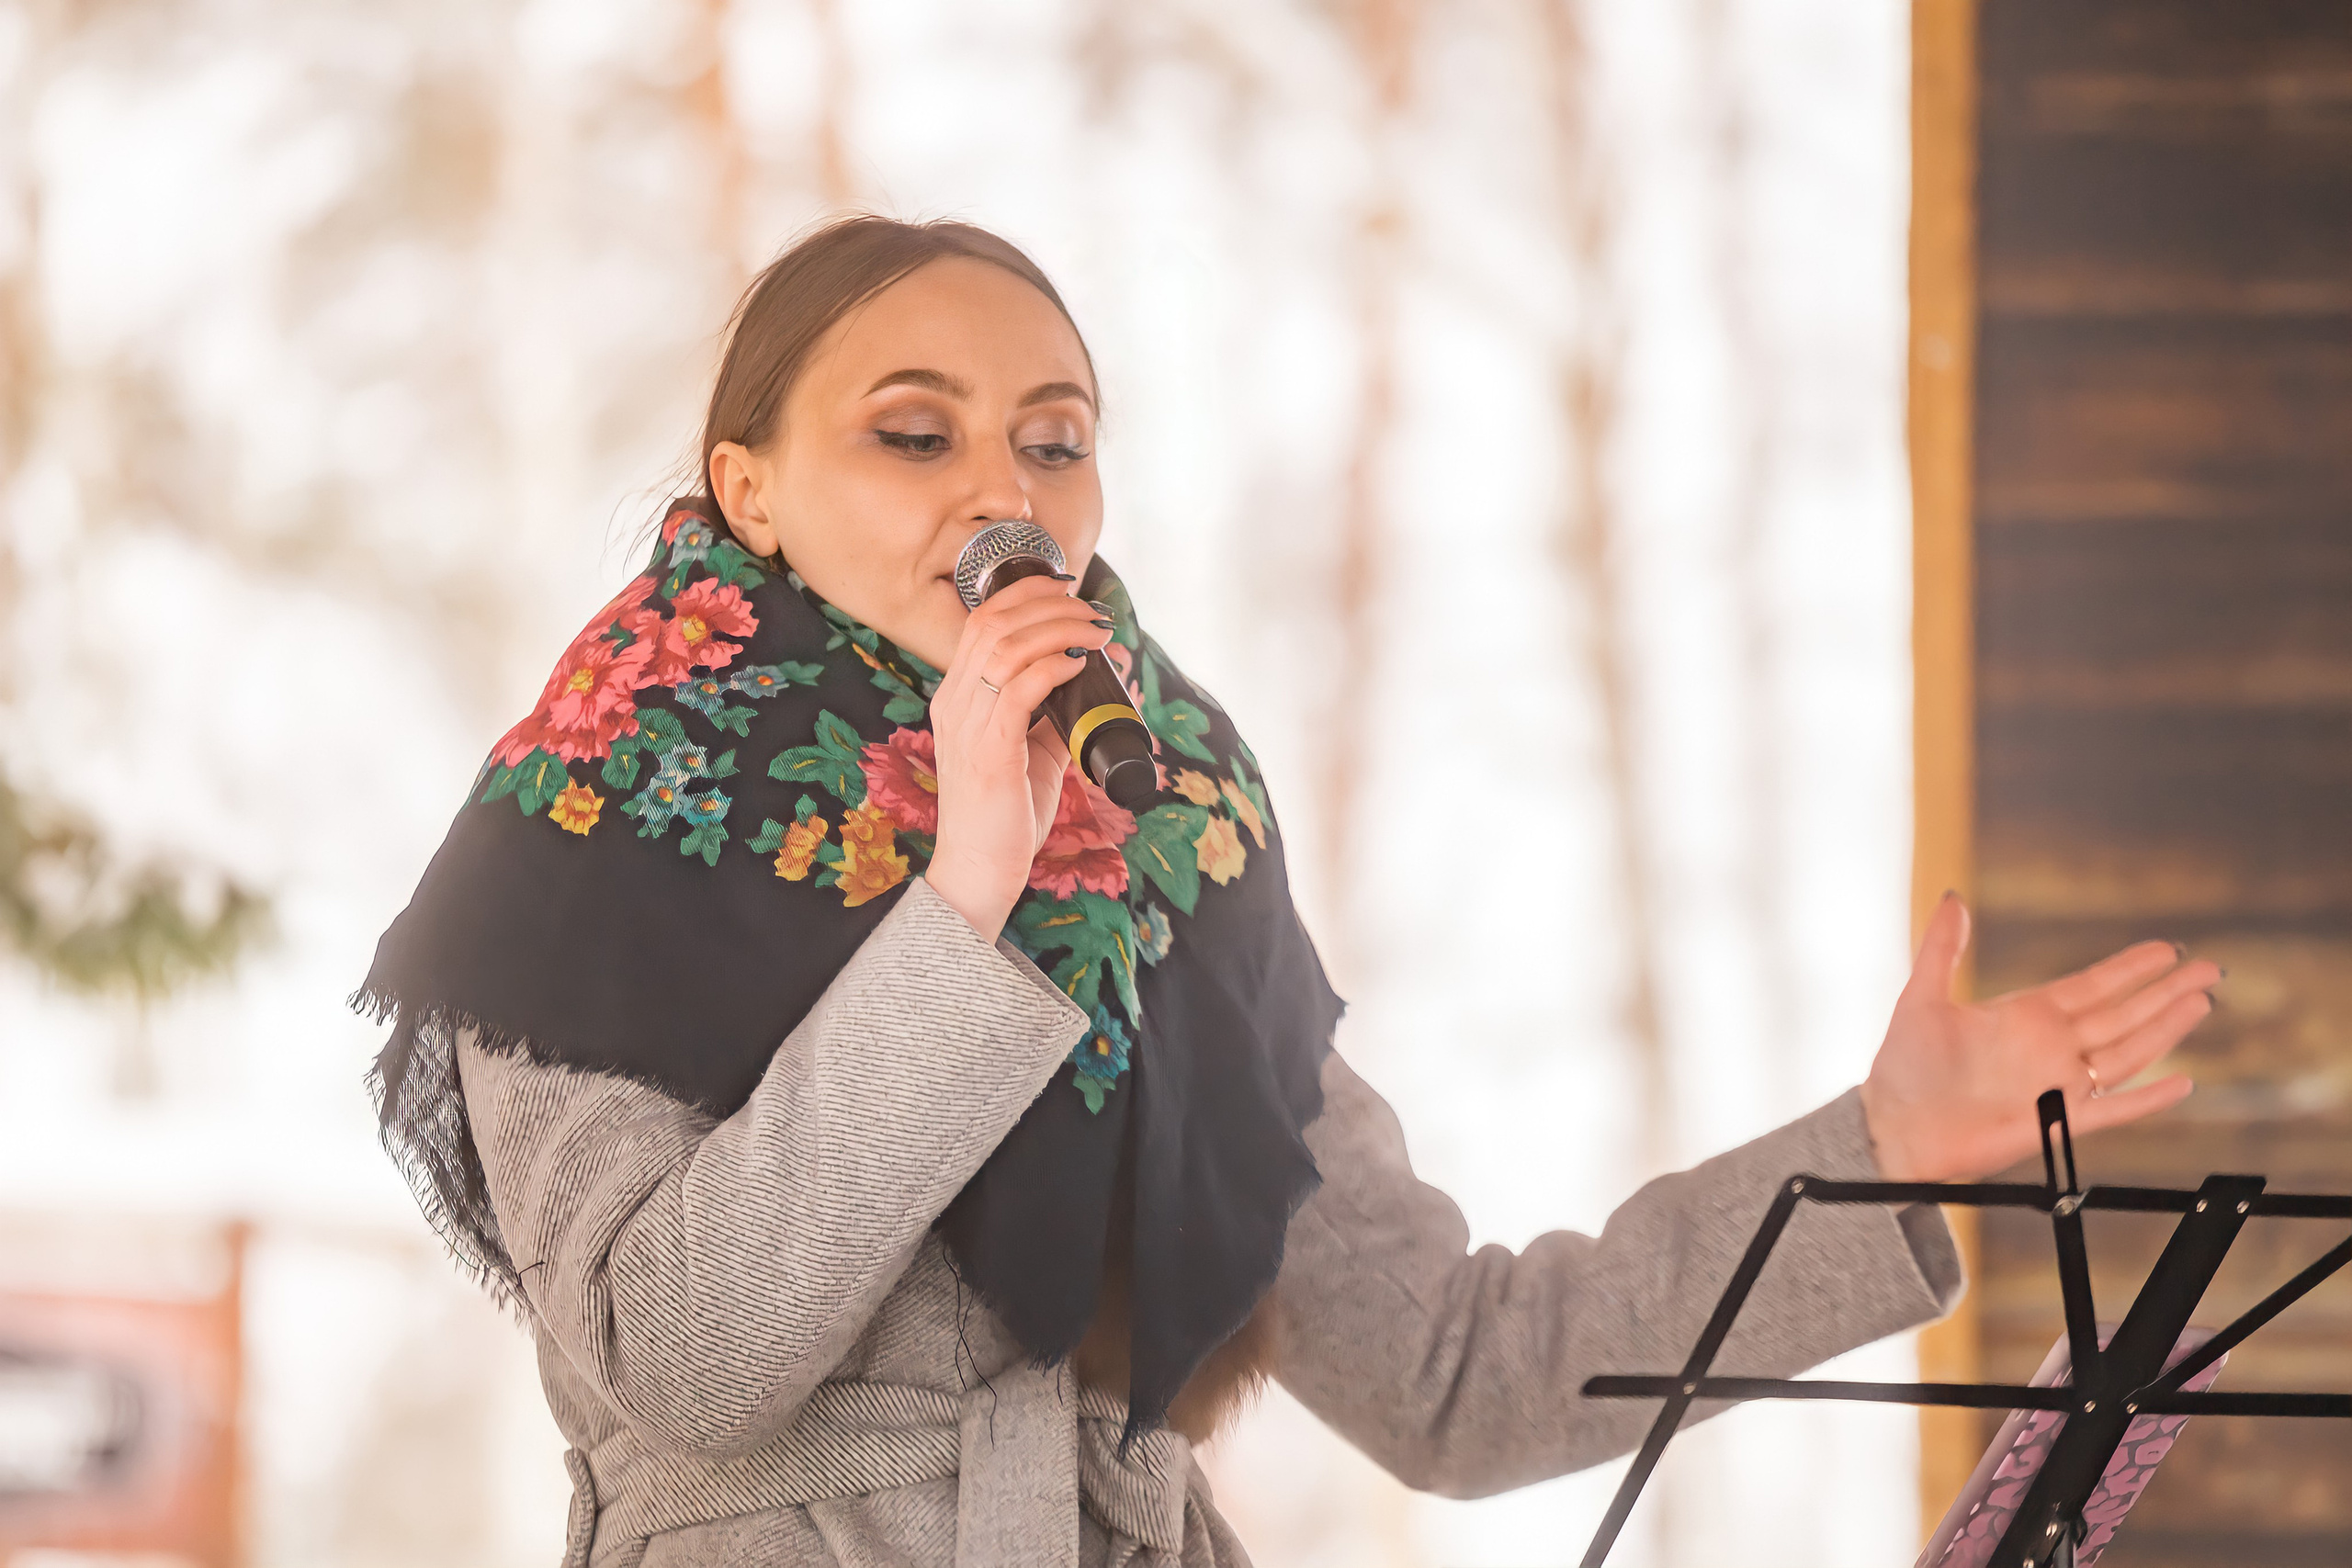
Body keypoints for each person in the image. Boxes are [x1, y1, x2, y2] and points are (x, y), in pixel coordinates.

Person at [356, 217, 2222, 1568]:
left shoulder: (1164, 832)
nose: (997, 488)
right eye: (911, 433)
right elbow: (692, 1357)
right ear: (747, 489)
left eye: (1053, 438)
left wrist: (1882, 1138)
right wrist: (964, 901)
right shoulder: (591, 823)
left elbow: (1451, 1374)